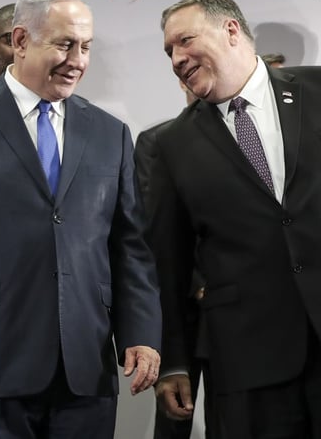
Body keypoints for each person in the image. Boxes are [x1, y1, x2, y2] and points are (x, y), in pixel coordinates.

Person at [0, 0, 161, 439]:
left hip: (85, 366)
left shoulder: (110, 132)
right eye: (64, 44)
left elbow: (129, 247)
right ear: (21, 41)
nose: (78, 60)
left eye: (85, 47)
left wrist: (140, 331)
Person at [150, 0, 321, 438]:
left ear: (230, 30)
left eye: (185, 41)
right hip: (248, 362)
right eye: (169, 51)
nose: (177, 58)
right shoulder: (171, 145)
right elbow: (171, 263)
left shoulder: (318, 91)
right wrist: (175, 360)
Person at [134, 83, 212, 439]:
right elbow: (158, 235)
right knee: (175, 421)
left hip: (243, 311)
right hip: (181, 309)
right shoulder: (158, 142)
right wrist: (199, 281)